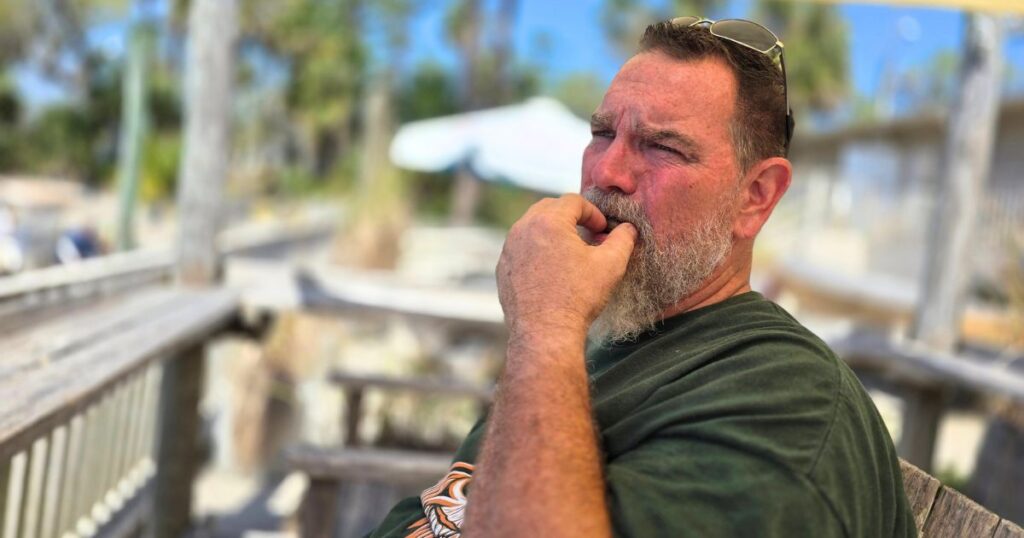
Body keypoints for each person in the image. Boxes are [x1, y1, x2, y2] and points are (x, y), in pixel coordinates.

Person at [371, 16, 916, 537]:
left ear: (756, 197)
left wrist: (545, 326)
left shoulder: (790, 400)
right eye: (602, 132)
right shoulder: (598, 346)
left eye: (662, 147)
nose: (606, 172)